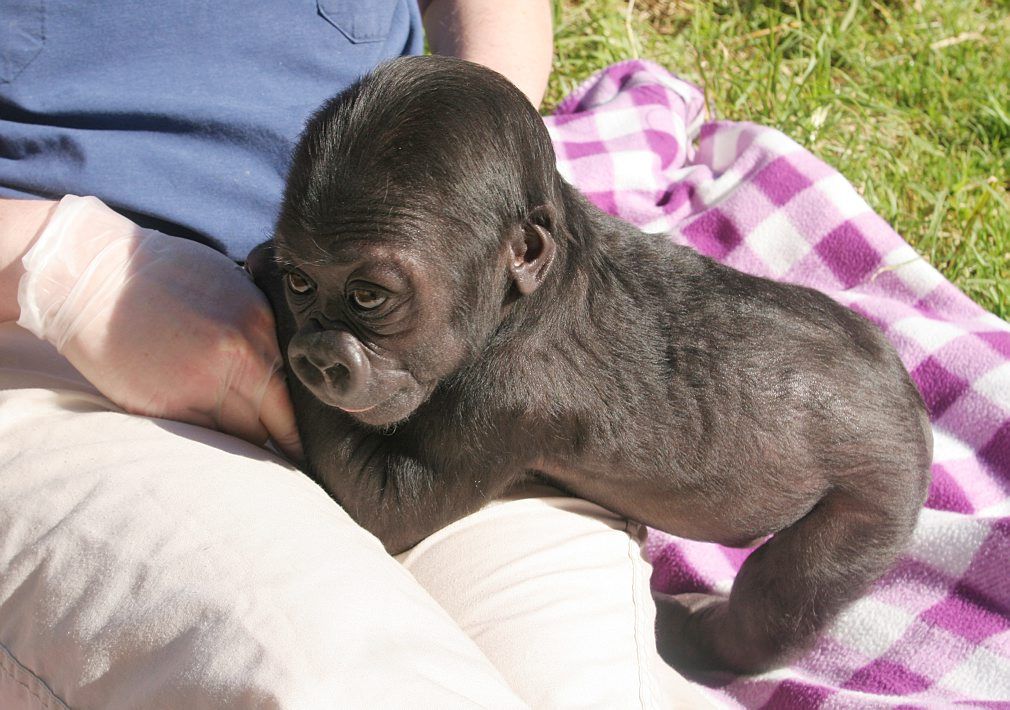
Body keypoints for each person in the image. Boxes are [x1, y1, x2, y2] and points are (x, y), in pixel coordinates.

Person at [0, 2, 710, 706]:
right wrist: (66, 267)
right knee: (342, 688)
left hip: (432, 356)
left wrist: (470, 176)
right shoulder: (67, 288)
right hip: (69, 356)